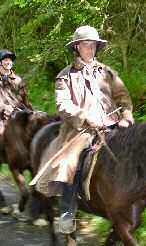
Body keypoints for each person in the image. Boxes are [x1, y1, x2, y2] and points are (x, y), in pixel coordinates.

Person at [32, 25, 134, 233]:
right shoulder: (65, 76)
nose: (90, 49)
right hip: (83, 129)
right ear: (77, 47)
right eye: (86, 45)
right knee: (72, 162)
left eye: (93, 45)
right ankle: (67, 211)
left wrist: (126, 117)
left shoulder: (108, 73)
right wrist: (85, 117)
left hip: (114, 124)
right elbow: (63, 105)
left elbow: (123, 97)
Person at [0, 49, 33, 164]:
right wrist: (4, 107)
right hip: (2, 115)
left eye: (10, 60)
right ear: (0, 62)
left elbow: (25, 99)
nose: (8, 62)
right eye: (5, 60)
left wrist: (32, 112)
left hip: (18, 112)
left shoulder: (18, 80)